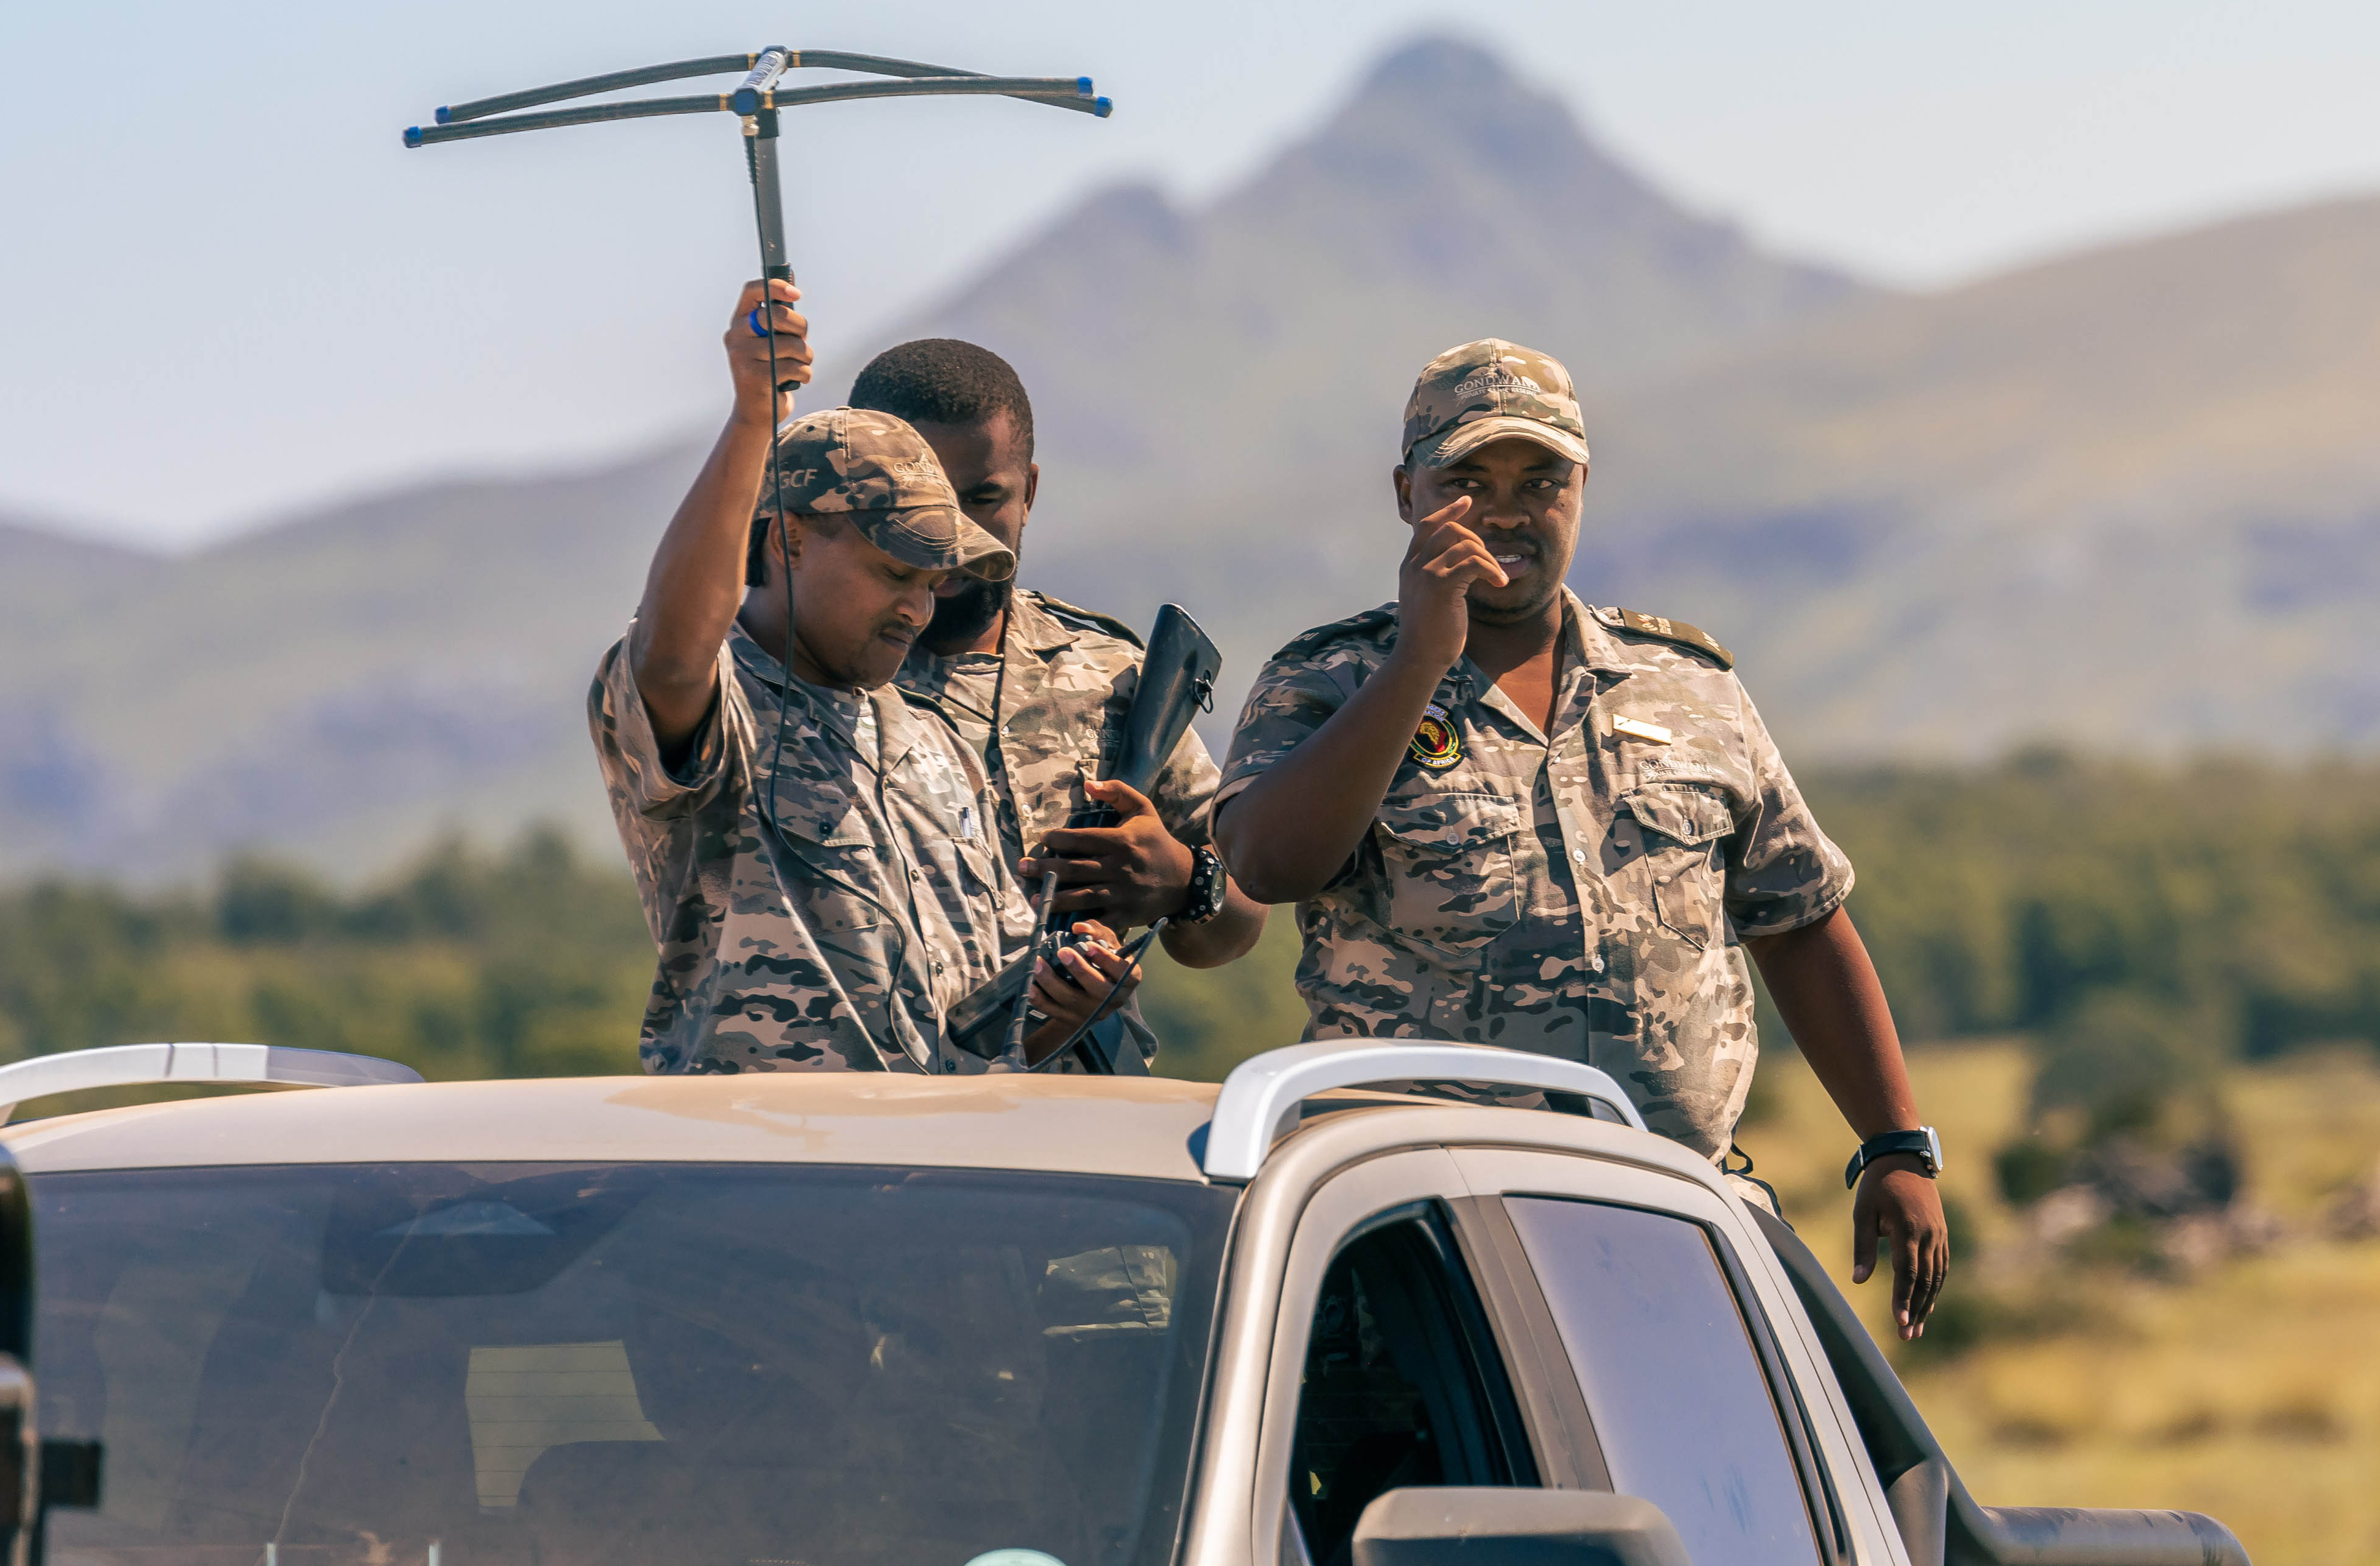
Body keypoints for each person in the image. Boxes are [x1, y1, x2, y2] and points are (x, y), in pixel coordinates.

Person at [1216, 339, 1953, 1332]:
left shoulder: (1691, 685)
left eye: (1541, 479)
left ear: (1582, 487)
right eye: (1468, 480)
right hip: (1425, 1239)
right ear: (1407, 493)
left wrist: (1893, 1144)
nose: (1508, 511)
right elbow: (1265, 862)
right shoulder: (1331, 680)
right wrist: (1419, 664)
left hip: (1667, 1217)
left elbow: (1799, 920)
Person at [588, 279, 1122, 1074]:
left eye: (932, 577)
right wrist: (752, 421)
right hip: (771, 1169)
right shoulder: (723, 705)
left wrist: (1064, 1002)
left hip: (928, 1175)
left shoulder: (940, 751)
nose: (921, 604)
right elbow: (671, 651)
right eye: (892, 570)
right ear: (791, 539)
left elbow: (980, 1039)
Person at [859, 338, 1266, 1070]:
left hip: (1076, 1118)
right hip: (875, 1113)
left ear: (1030, 491)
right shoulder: (818, 675)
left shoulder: (1109, 674)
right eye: (924, 502)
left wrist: (1178, 881)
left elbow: (1236, 922)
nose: (954, 533)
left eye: (983, 499)